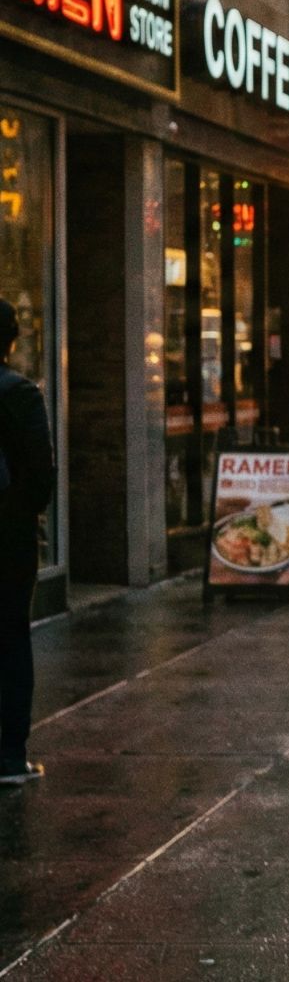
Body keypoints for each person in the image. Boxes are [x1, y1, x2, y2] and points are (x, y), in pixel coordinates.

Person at [0, 299, 54, 786]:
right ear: (11, 340)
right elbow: (41, 479)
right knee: (11, 638)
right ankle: (9, 757)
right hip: (7, 538)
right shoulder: (19, 394)